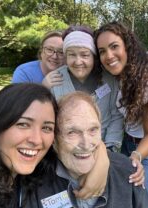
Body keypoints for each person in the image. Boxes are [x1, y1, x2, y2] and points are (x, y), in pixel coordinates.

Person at [0, 83, 109, 208]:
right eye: (23, 124)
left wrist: (102, 162)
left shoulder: (32, 171)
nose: (36, 140)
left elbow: (83, 142)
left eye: (46, 128)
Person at [20, 91, 148, 208]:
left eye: (93, 130)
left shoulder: (127, 172)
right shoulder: (36, 181)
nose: (86, 143)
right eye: (72, 132)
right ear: (54, 139)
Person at [95, 21, 148, 198]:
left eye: (114, 47)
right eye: (102, 51)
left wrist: (136, 156)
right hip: (128, 144)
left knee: (138, 204)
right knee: (122, 199)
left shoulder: (147, 84)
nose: (109, 55)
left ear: (128, 47)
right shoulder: (117, 77)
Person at [49, 25, 123, 153]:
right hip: (67, 152)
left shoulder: (109, 79)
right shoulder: (55, 80)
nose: (78, 62)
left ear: (93, 57)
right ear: (66, 57)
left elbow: (116, 116)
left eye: (84, 55)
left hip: (103, 149)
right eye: (72, 55)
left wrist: (110, 148)